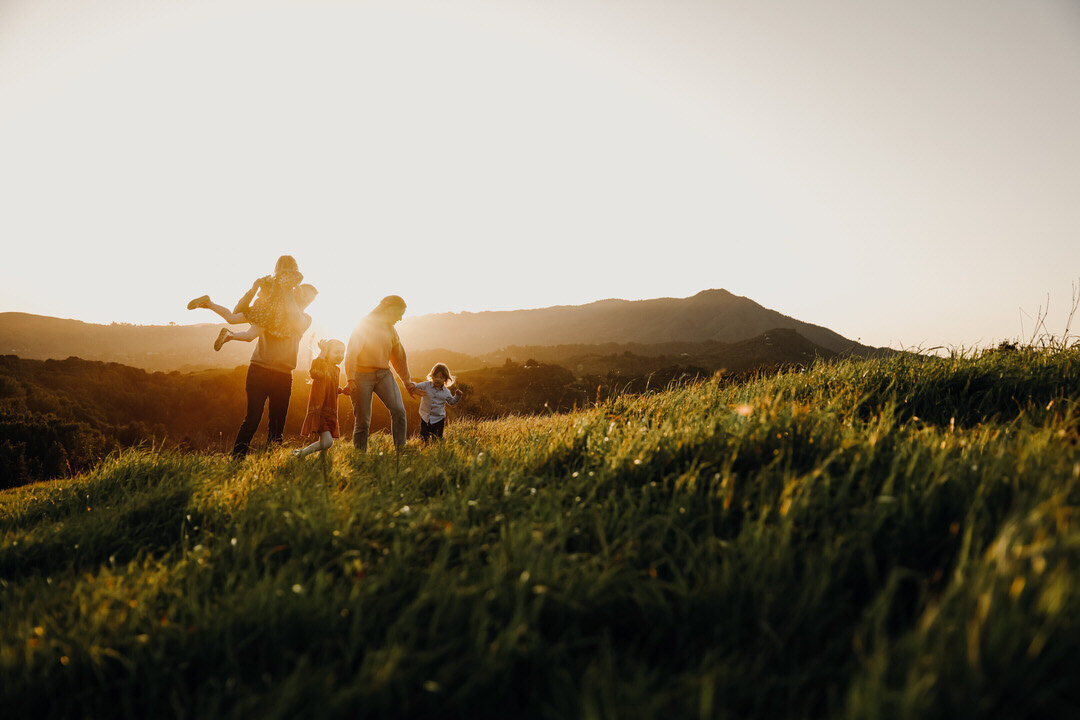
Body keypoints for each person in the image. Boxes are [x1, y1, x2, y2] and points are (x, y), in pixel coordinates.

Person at [229, 275, 316, 457]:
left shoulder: (305, 319)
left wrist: (286, 291)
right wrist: (256, 289)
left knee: (277, 423)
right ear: (297, 293)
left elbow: (294, 316)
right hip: (259, 370)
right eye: (306, 296)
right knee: (252, 419)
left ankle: (271, 459)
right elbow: (238, 313)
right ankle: (237, 457)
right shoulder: (270, 310)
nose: (308, 301)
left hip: (283, 375)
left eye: (311, 299)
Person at [344, 295, 419, 452]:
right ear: (389, 309)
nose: (400, 318)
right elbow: (351, 353)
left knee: (399, 411)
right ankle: (360, 456)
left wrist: (407, 382)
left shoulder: (391, 329)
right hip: (360, 376)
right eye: (399, 313)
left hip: (384, 374)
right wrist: (350, 379)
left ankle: (400, 449)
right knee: (363, 421)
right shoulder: (364, 325)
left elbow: (399, 358)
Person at [187, 255, 306, 351]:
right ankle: (229, 335)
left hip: (260, 309)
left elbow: (263, 291)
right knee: (249, 336)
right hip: (269, 316)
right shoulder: (290, 278)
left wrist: (259, 285)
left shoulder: (270, 279)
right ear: (293, 266)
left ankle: (209, 303)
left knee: (231, 318)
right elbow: (298, 278)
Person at [293, 339, 347, 460]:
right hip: (320, 410)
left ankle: (322, 461)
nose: (340, 355)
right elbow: (314, 372)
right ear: (328, 353)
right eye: (336, 352)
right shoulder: (321, 366)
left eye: (342, 352)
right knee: (328, 442)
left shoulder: (336, 369)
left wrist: (341, 390)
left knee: (325, 441)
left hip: (330, 411)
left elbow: (331, 386)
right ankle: (301, 453)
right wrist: (323, 352)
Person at [412, 362, 463, 442]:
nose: (437, 379)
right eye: (435, 377)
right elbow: (417, 385)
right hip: (425, 417)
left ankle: (437, 450)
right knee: (424, 437)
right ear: (432, 376)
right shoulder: (426, 385)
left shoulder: (446, 392)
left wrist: (457, 396)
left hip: (439, 419)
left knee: (437, 439)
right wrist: (411, 385)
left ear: (445, 380)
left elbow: (451, 402)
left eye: (441, 377)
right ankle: (424, 449)